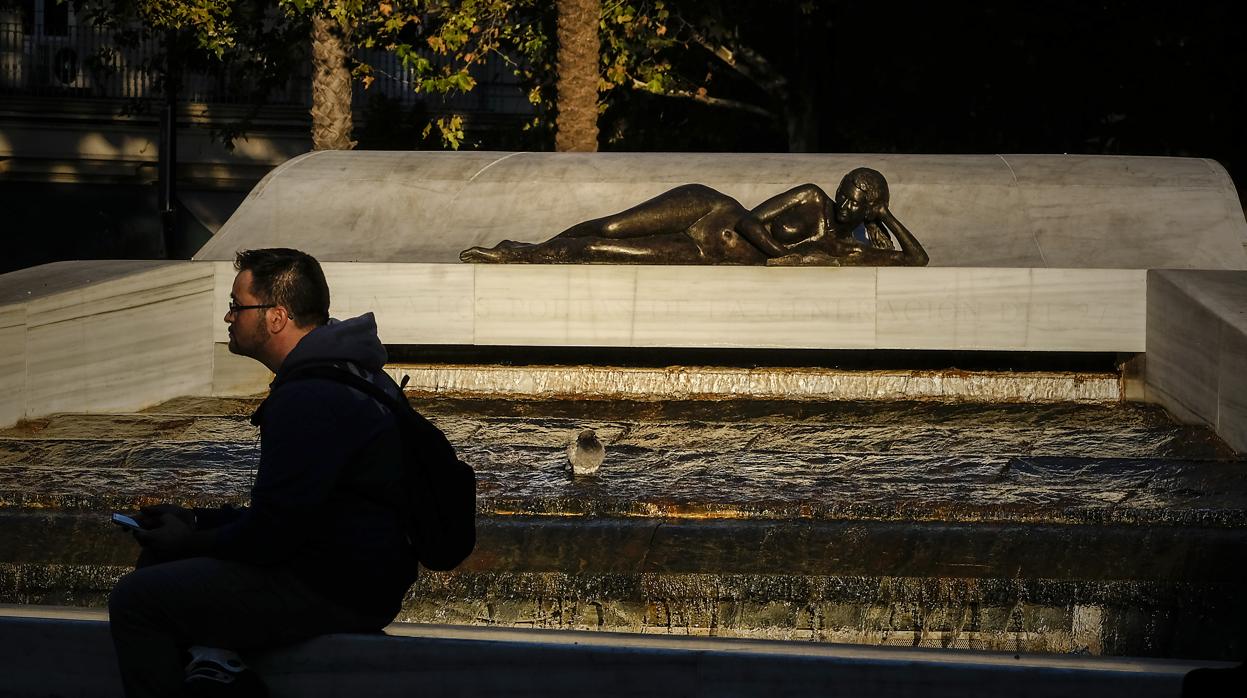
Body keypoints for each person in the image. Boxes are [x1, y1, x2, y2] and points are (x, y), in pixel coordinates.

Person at [108, 248, 416, 697]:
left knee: (136, 600)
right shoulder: (352, 374)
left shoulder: (310, 396)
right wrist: (197, 522)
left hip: (338, 587)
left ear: (275, 317)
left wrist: (189, 540)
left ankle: (221, 674)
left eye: (237, 305)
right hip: (363, 572)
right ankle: (217, 668)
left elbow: (272, 535)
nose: (229, 317)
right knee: (162, 560)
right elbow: (291, 511)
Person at [458, 167, 928, 267]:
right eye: (846, 192)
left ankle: (522, 254)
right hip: (709, 209)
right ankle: (524, 249)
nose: (845, 203)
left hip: (704, 250)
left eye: (858, 202)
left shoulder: (847, 246)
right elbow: (749, 222)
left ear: (870, 208)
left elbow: (917, 259)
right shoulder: (811, 199)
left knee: (604, 250)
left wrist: (889, 216)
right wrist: (784, 254)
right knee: (611, 226)